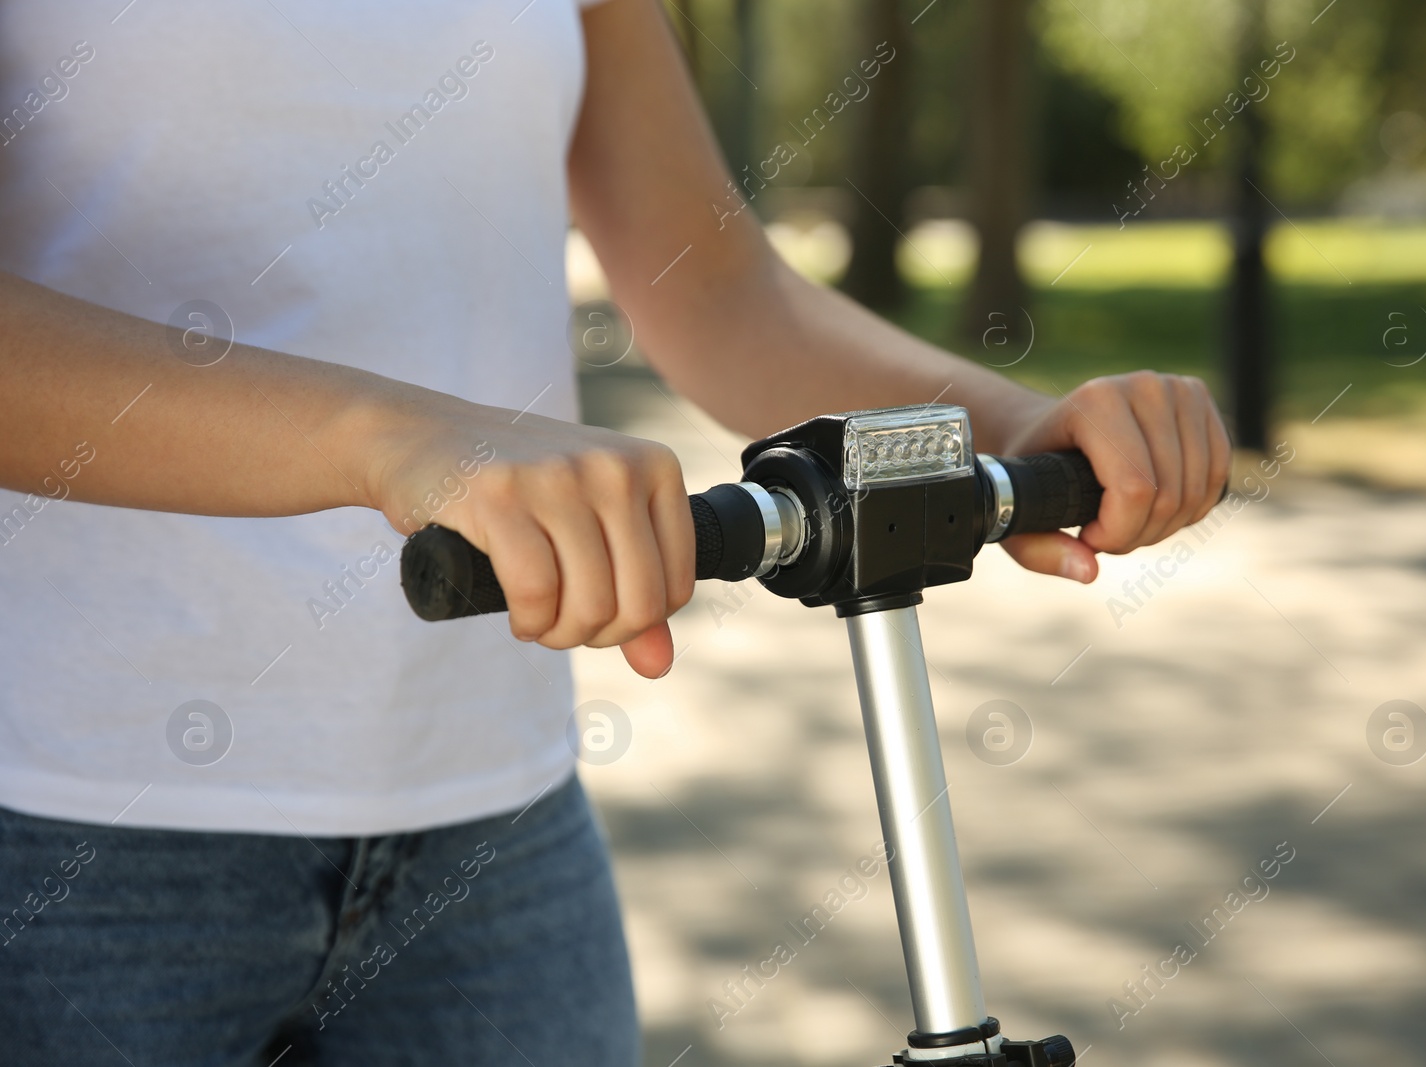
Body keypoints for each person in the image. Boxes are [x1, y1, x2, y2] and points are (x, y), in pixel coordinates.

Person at [0, 1, 1229, 1064]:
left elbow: (716, 290)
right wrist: (391, 440)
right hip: (73, 824)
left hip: (494, 827)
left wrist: (1004, 426)